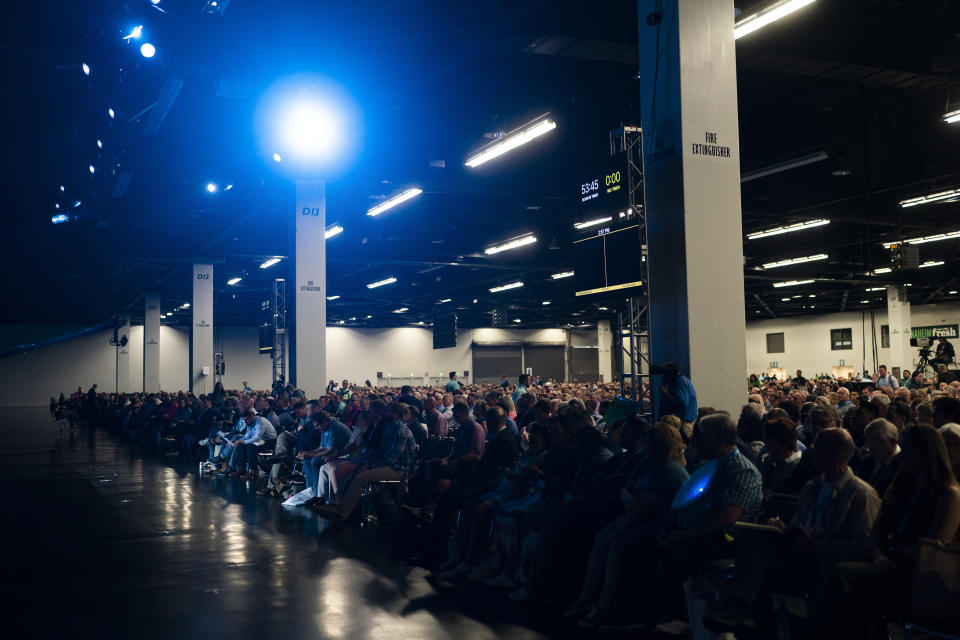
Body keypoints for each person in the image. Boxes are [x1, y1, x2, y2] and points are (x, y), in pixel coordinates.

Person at [706, 428, 880, 633]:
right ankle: (742, 610)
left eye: (820, 448)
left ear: (839, 453)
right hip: (800, 553)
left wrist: (816, 547)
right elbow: (801, 525)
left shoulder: (861, 495)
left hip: (823, 564)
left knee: (758, 575)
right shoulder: (812, 487)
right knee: (753, 541)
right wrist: (784, 530)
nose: (813, 453)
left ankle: (743, 612)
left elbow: (863, 548)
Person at [812, 425, 960, 639]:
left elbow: (932, 552)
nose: (903, 454)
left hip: (916, 577)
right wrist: (880, 555)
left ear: (926, 452)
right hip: (888, 562)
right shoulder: (904, 485)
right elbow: (876, 532)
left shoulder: (949, 495)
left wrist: (891, 550)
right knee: (840, 584)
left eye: (908, 449)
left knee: (843, 576)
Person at [857, 418, 902, 497]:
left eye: (876, 443)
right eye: (869, 443)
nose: (871, 448)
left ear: (893, 442)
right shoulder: (867, 461)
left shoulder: (904, 464)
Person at [656, 362, 697, 430]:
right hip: (681, 423)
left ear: (671, 374)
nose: (664, 377)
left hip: (683, 424)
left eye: (665, 375)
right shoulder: (680, 381)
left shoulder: (680, 382)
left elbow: (682, 404)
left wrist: (666, 393)